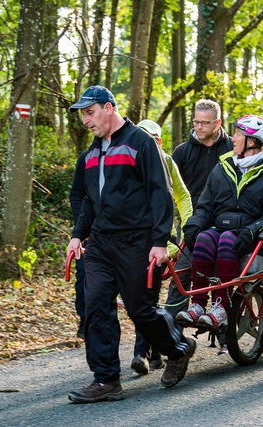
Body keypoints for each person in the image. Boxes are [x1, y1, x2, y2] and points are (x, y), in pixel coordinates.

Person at [66, 86, 196, 404]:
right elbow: (88, 202)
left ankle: (177, 349)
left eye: (89, 112)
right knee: (95, 306)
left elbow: (160, 192)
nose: (85, 120)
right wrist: (77, 234)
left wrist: (160, 241)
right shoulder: (91, 154)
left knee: (141, 310)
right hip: (100, 244)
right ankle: (106, 380)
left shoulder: (140, 143)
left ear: (109, 108)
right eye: (82, 114)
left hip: (137, 241)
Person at [175, 115, 263, 330]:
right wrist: (193, 224)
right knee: (204, 238)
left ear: (252, 141)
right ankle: (198, 304)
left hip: (256, 235)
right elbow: (206, 205)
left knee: (227, 240)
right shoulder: (223, 167)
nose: (233, 139)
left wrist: (252, 230)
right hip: (224, 226)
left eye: (238, 134)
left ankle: (221, 305)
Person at [166, 99, 233, 352]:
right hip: (191, 224)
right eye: (196, 122)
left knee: (223, 275)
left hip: (224, 222)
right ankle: (171, 338)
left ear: (218, 123)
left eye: (205, 122)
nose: (199, 127)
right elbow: (171, 190)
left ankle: (225, 332)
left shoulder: (232, 148)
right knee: (181, 276)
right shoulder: (183, 152)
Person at [130, 119, 193, 375]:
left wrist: (189, 230)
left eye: (152, 140)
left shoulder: (167, 161)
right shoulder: (129, 163)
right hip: (136, 241)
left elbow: (182, 196)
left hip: (163, 242)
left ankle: (145, 353)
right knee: (144, 297)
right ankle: (149, 354)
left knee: (148, 298)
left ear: (159, 141)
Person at [69, 150, 88, 338]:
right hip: (87, 232)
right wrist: (81, 230)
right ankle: (85, 320)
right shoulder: (86, 157)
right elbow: (76, 194)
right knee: (83, 275)